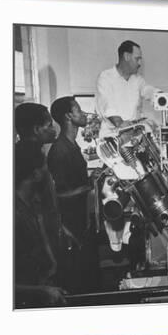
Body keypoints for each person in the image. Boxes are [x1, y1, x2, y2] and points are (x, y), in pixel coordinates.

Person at [47, 96, 98, 293]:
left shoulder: (73, 145)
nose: (83, 113)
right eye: (78, 109)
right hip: (70, 229)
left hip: (80, 222)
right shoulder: (60, 150)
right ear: (68, 116)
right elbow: (57, 195)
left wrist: (93, 177)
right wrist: (89, 186)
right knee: (78, 282)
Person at [14, 141, 66, 308]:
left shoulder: (31, 203)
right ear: (36, 174)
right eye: (44, 166)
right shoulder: (14, 215)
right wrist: (41, 291)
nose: (47, 171)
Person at [95, 40, 158, 136]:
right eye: (137, 59)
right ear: (126, 56)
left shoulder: (138, 80)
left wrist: (160, 95)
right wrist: (121, 124)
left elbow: (147, 90)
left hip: (134, 136)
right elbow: (107, 105)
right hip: (112, 139)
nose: (140, 63)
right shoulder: (106, 77)